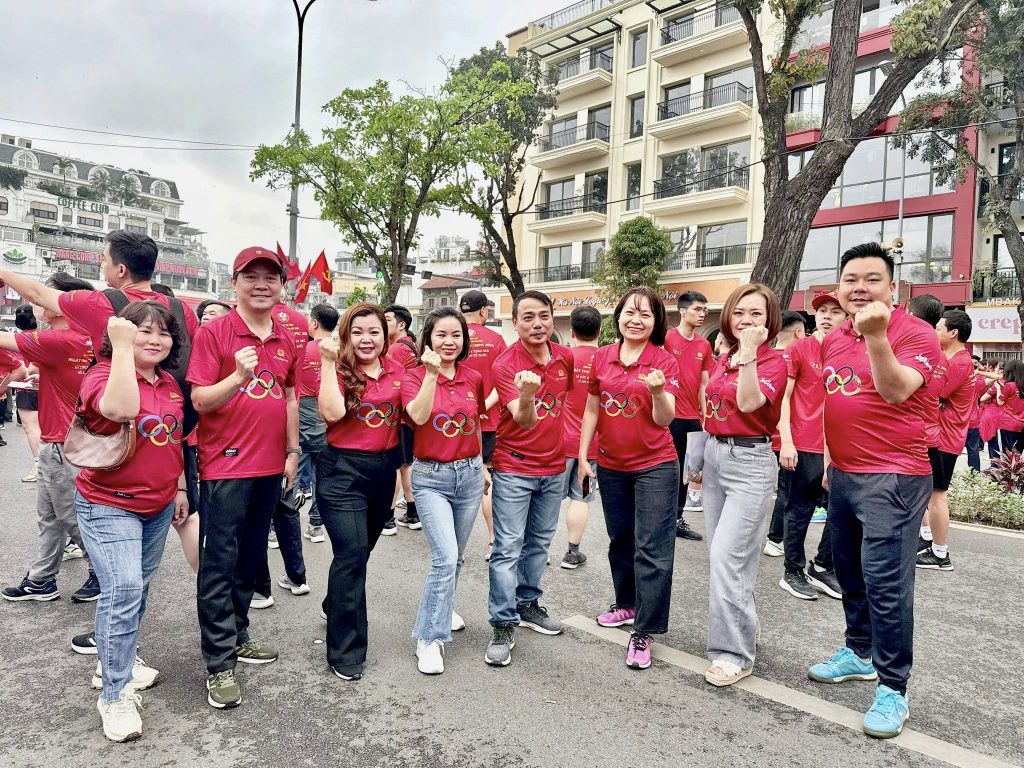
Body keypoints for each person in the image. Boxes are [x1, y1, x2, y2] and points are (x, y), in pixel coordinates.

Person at [809, 242, 941, 739]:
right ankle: (858, 651)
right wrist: (828, 461)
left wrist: (878, 337)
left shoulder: (917, 333)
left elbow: (896, 390)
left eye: (871, 279)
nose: (859, 288)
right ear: (839, 288)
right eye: (850, 280)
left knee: (886, 584)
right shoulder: (835, 336)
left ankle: (893, 688)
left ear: (893, 286)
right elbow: (833, 399)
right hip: (844, 473)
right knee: (849, 572)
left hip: (896, 477)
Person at [187, 246, 301, 709]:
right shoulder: (215, 333)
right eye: (250, 276)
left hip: (271, 467)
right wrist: (236, 377)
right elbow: (200, 401)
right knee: (220, 563)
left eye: (270, 277)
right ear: (233, 283)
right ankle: (218, 664)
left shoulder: (286, 337)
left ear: (280, 286)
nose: (261, 284)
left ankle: (238, 635)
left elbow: (290, 398)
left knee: (251, 560)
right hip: (226, 467)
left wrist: (292, 451)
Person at [74, 304, 189, 742]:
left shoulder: (169, 384)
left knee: (135, 589)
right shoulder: (103, 374)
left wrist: (178, 487)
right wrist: (121, 348)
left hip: (157, 505)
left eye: (163, 333)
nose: (155, 339)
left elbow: (172, 436)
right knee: (123, 589)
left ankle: (114, 661)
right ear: (122, 334)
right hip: (107, 503)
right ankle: (115, 694)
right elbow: (121, 410)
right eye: (143, 331)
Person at [578, 288, 681, 670]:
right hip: (611, 464)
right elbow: (592, 406)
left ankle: (644, 629)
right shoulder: (603, 356)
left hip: (655, 464)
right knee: (620, 539)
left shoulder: (664, 361)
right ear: (618, 316)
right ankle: (626, 604)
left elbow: (665, 419)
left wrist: (657, 391)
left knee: (652, 548)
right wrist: (582, 454)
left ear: (656, 323)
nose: (635, 319)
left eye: (646, 314)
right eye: (629, 312)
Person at [701, 283, 786, 687]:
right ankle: (740, 635)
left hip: (751, 461)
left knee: (726, 557)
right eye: (740, 313)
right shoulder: (726, 356)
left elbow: (750, 404)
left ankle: (733, 653)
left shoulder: (772, 360)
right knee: (730, 559)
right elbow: (712, 406)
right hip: (718, 456)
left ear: (770, 319)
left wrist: (749, 356)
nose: (747, 321)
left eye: (756, 313)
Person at [485, 290, 574, 667]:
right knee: (507, 547)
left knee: (539, 543)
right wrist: (526, 395)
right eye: (528, 318)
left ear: (552, 319)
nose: (537, 324)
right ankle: (502, 623)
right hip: (514, 467)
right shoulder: (506, 365)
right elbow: (523, 419)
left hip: (554, 468)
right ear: (515, 322)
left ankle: (527, 604)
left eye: (543, 316)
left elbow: (565, 408)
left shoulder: (564, 357)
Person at [316, 303, 404, 681]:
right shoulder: (335, 369)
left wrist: (404, 479)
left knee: (360, 554)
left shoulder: (401, 373)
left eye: (374, 331)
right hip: (342, 472)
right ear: (345, 335)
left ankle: (336, 600)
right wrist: (326, 362)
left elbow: (412, 421)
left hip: (383, 472)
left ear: (386, 337)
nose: (367, 339)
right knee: (351, 555)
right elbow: (332, 415)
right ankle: (347, 650)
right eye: (358, 331)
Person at [1, 273, 100, 604]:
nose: (36, 299)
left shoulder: (58, 340)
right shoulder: (86, 337)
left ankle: (103, 573)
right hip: (66, 440)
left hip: (63, 443)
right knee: (50, 517)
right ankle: (42, 579)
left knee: (72, 517)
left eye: (44, 294)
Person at [402, 307, 486, 674]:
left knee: (458, 555)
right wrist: (432, 375)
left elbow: (476, 424)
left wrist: (482, 465)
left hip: (468, 475)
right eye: (441, 335)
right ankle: (429, 638)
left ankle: (443, 604)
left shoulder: (473, 377)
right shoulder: (413, 376)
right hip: (430, 477)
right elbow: (418, 417)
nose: (449, 342)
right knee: (445, 557)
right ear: (428, 338)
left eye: (456, 335)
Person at [776, 293, 846, 601]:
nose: (827, 316)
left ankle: (823, 566)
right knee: (800, 508)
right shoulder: (799, 349)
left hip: (841, 447)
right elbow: (784, 397)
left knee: (839, 511)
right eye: (822, 311)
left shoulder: (849, 351)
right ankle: (792, 571)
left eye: (835, 311)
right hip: (804, 443)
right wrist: (787, 441)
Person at [916, 310, 975, 572]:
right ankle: (928, 539)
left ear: (953, 333)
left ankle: (940, 554)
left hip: (945, 438)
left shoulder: (960, 362)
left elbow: (936, 391)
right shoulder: (953, 358)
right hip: (939, 434)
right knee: (926, 492)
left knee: (937, 494)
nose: (934, 332)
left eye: (938, 328)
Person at [458, 290, 506, 560]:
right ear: (484, 311)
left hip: (456, 424)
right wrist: (483, 408)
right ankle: (493, 540)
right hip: (490, 424)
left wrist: (470, 411)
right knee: (488, 480)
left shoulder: (451, 337)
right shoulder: (496, 340)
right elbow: (503, 380)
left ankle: (456, 547)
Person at [663, 291, 712, 542]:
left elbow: (704, 384)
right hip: (669, 418)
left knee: (688, 473)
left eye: (705, 310)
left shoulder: (704, 345)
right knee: (666, 470)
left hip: (694, 419)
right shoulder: (666, 339)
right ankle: (661, 518)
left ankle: (677, 519)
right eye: (697, 309)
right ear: (683, 311)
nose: (702, 314)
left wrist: (706, 418)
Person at [560, 306, 602, 569]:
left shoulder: (563, 357)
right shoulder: (608, 358)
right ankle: (572, 553)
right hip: (593, 446)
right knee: (580, 497)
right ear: (599, 330)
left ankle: (539, 551)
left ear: (572, 331)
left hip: (559, 443)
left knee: (547, 499)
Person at [762, 311, 807, 557]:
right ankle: (776, 538)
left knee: (782, 489)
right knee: (788, 491)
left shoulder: (766, 359)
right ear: (799, 332)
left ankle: (775, 538)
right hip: (789, 436)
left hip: (767, 436)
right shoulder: (796, 358)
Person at [296, 303, 339, 543]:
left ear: (313, 323)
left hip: (303, 412)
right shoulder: (341, 350)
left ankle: (278, 528)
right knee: (322, 477)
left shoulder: (302, 348)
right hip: (330, 414)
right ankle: (316, 525)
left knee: (292, 472)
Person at [382, 304, 419, 533]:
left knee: (395, 467)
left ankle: (387, 518)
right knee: (406, 466)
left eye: (387, 320)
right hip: (410, 416)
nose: (383, 324)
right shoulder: (412, 346)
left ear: (401, 324)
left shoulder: (395, 349)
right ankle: (413, 513)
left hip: (399, 415)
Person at [13, 305, 41, 481]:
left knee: (31, 427)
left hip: (26, 386)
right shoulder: (43, 337)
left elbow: (22, 368)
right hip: (46, 385)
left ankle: (39, 466)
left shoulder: (15, 339)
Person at [964, 356, 986, 472]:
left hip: (956, 422)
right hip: (972, 421)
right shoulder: (977, 382)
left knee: (948, 450)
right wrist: (979, 370)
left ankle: (944, 479)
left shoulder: (955, 379)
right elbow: (997, 377)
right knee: (973, 449)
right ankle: (974, 475)